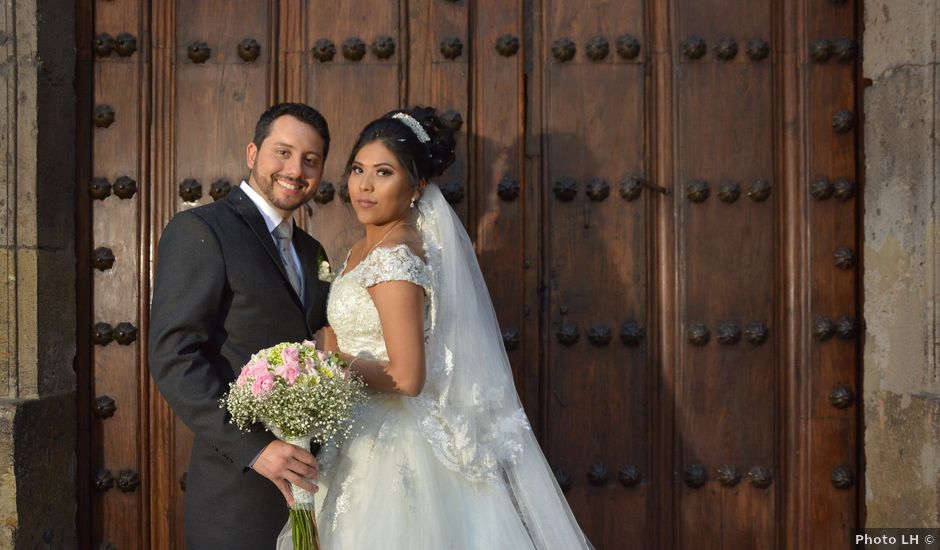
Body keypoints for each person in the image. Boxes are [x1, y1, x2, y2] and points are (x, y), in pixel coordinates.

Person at [277, 107, 594, 549]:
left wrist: (328, 359)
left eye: (383, 172)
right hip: (354, 432)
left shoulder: (395, 258)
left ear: (416, 187)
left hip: (390, 447)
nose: (364, 186)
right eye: (357, 169)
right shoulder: (360, 249)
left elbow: (407, 377)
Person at [149, 103, 333, 549]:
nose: (295, 169)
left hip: (315, 489)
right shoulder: (202, 230)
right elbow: (174, 357)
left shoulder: (312, 251)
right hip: (236, 492)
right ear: (253, 153)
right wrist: (257, 449)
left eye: (310, 159)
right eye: (283, 152)